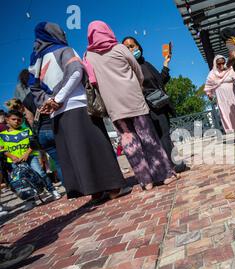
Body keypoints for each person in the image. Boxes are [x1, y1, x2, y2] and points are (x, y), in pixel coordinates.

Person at [29, 22, 130, 203]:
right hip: (77, 106)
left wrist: (49, 102)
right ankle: (114, 187)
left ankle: (94, 192)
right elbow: (76, 72)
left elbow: (34, 89)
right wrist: (58, 99)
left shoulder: (36, 61)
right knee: (96, 146)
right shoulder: (63, 50)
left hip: (56, 114)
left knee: (77, 153)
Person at [85, 21, 179, 191]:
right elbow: (137, 70)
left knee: (129, 142)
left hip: (114, 106)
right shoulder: (119, 48)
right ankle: (164, 175)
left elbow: (92, 81)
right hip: (134, 100)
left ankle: (146, 181)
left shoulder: (88, 56)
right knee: (148, 137)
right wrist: (136, 85)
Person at [122, 36, 187, 172]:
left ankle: (171, 163)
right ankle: (173, 165)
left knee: (164, 134)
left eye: (132, 46)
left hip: (160, 104)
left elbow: (160, 82)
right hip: (147, 107)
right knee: (160, 135)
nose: (130, 49)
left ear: (138, 46)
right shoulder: (129, 69)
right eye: (127, 48)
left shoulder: (146, 64)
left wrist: (166, 63)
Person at [0, 110, 61, 201]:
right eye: (14, 119)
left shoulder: (27, 130)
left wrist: (26, 154)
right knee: (22, 180)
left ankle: (52, 190)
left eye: (19, 120)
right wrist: (12, 157)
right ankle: (30, 201)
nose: (17, 121)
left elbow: (33, 144)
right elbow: (2, 149)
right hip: (14, 161)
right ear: (7, 120)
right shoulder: (2, 135)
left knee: (40, 173)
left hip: (30, 157)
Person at [15, 69, 64, 183]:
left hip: (42, 133)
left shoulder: (26, 99)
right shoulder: (45, 91)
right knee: (69, 157)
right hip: (55, 127)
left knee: (57, 162)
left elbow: (30, 119)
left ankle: (71, 190)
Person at [204, 55, 235, 143]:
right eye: (219, 63)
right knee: (228, 116)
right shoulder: (212, 74)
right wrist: (209, 94)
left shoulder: (230, 70)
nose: (221, 65)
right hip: (222, 99)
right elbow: (208, 87)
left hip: (233, 96)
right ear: (216, 64)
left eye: (223, 62)